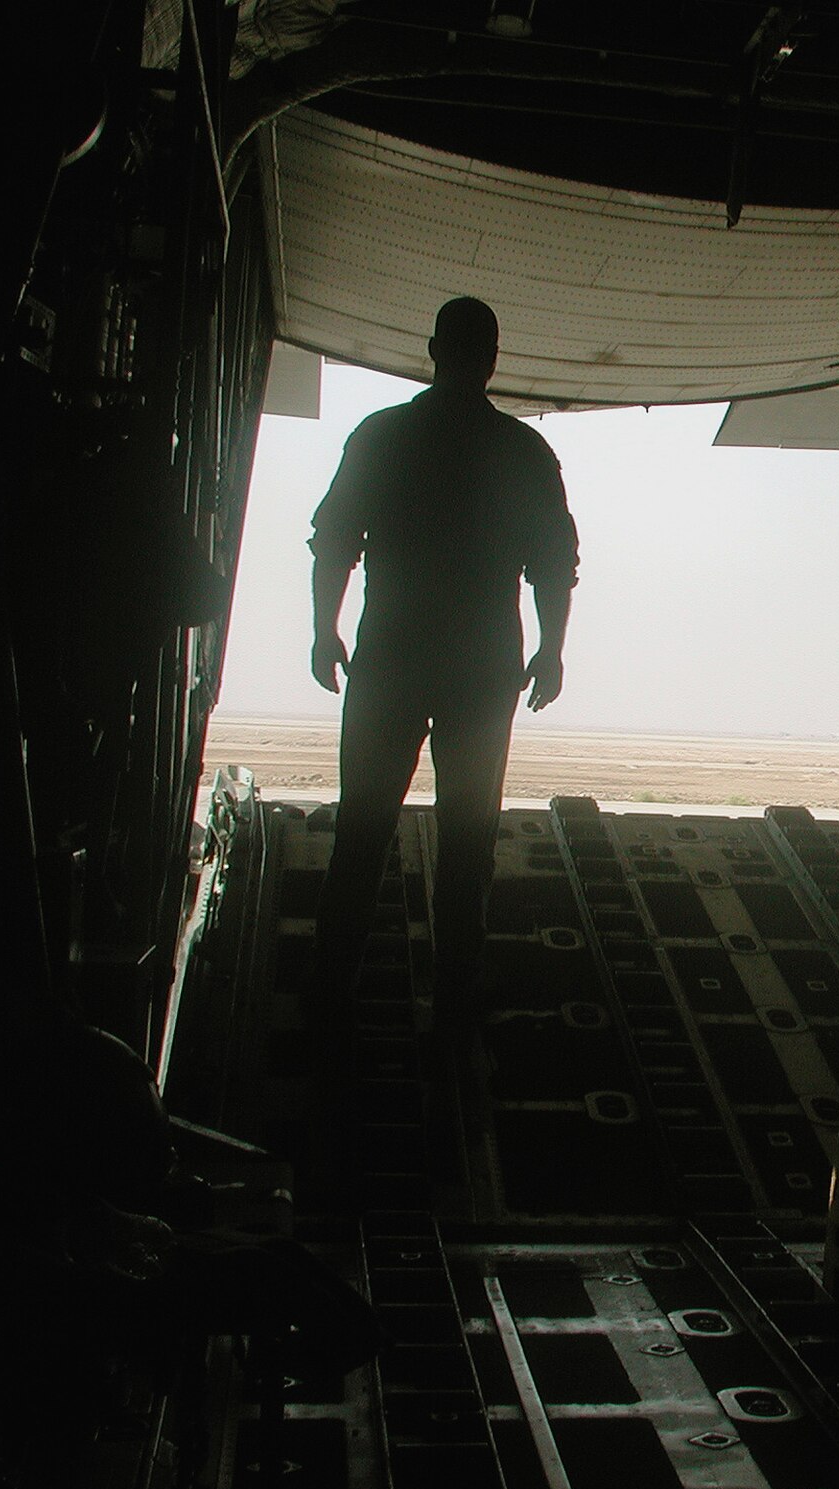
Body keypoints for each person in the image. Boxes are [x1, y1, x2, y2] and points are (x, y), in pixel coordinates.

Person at [307, 297, 577, 1022]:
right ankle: (454, 996)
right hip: (483, 667)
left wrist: (323, 630)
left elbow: (335, 539)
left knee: (360, 832)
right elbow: (554, 565)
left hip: (391, 655)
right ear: (492, 359)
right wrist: (551, 650)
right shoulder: (523, 452)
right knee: (467, 840)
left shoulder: (382, 437)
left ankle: (332, 994)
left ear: (432, 349)